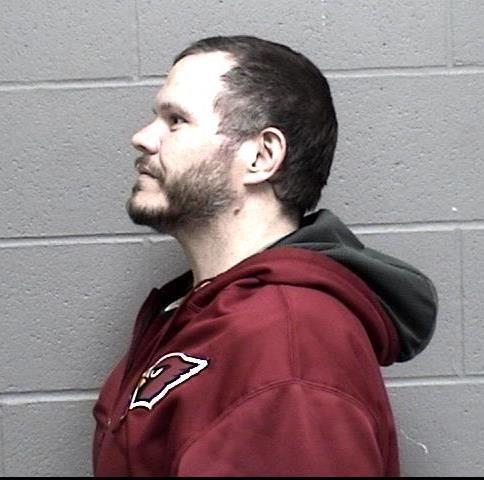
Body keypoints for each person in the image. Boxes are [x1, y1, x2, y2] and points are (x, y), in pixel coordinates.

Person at [92, 35, 438, 476]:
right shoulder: (204, 316)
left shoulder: (289, 344)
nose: (142, 138)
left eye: (176, 120)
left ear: (261, 156)